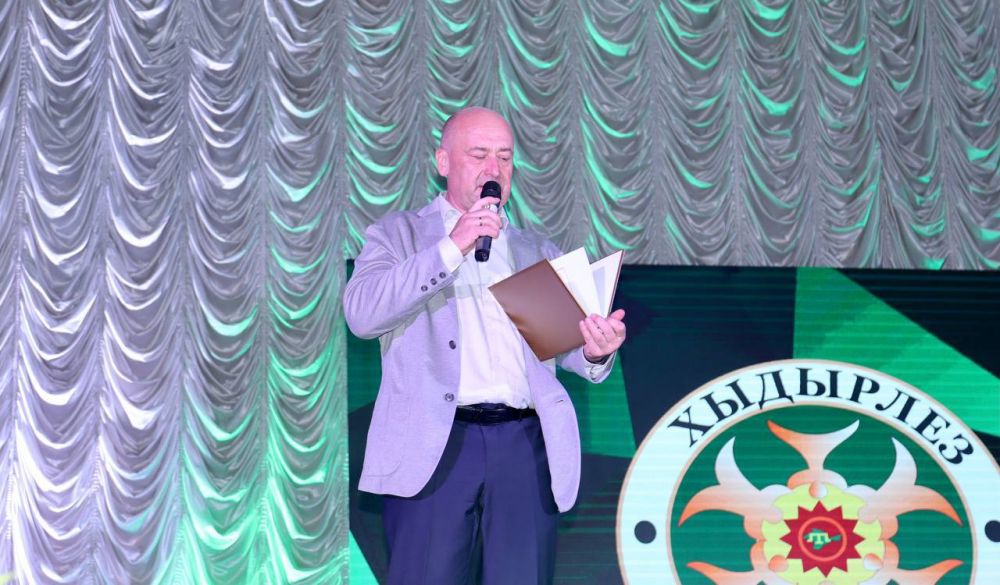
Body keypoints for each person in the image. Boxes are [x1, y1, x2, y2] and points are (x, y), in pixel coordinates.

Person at [343, 106, 626, 585]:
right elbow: (363, 315)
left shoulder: (535, 250)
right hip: (435, 444)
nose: (494, 169)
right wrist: (451, 247)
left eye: (505, 157)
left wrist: (596, 350)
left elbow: (561, 348)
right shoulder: (400, 235)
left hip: (523, 445)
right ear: (443, 162)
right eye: (479, 155)